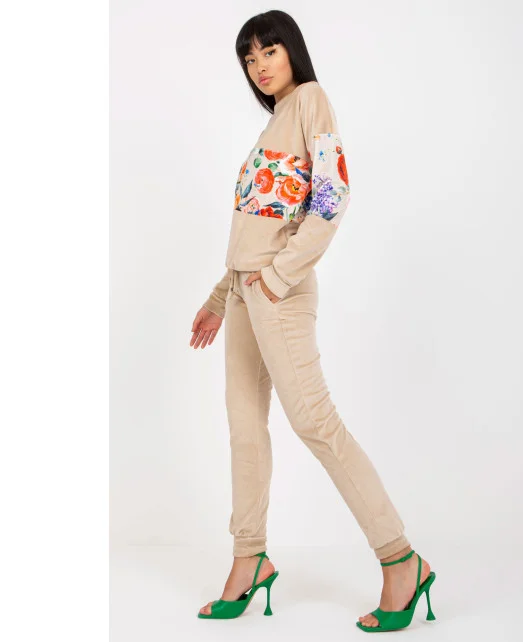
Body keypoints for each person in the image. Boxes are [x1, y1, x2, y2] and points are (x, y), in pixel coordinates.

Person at [189, 10, 436, 632]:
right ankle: (249, 559)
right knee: (245, 429)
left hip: (279, 293)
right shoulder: (271, 126)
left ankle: (401, 558)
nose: (259, 66)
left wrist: (277, 278)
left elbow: (331, 195)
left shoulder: (310, 101)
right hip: (244, 294)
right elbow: (257, 223)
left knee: (315, 423)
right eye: (249, 59)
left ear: (291, 50)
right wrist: (220, 296)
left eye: (268, 51)